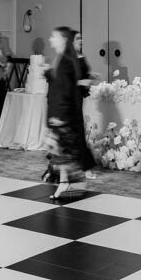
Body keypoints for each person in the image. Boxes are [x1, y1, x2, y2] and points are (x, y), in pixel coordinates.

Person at [44, 26, 88, 199]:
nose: (50, 40)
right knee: (61, 152)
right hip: (63, 114)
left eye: (53, 37)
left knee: (61, 151)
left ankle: (69, 184)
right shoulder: (64, 59)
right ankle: (65, 184)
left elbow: (65, 91)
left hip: (63, 115)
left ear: (62, 39)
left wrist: (59, 117)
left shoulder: (65, 61)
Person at [72, 32, 99, 179]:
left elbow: (82, 75)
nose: (81, 40)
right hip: (70, 97)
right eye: (77, 38)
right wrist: (81, 82)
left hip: (78, 97)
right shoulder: (68, 59)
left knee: (78, 131)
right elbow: (66, 80)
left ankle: (83, 166)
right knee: (76, 132)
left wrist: (90, 77)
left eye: (81, 37)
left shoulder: (81, 57)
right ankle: (85, 166)